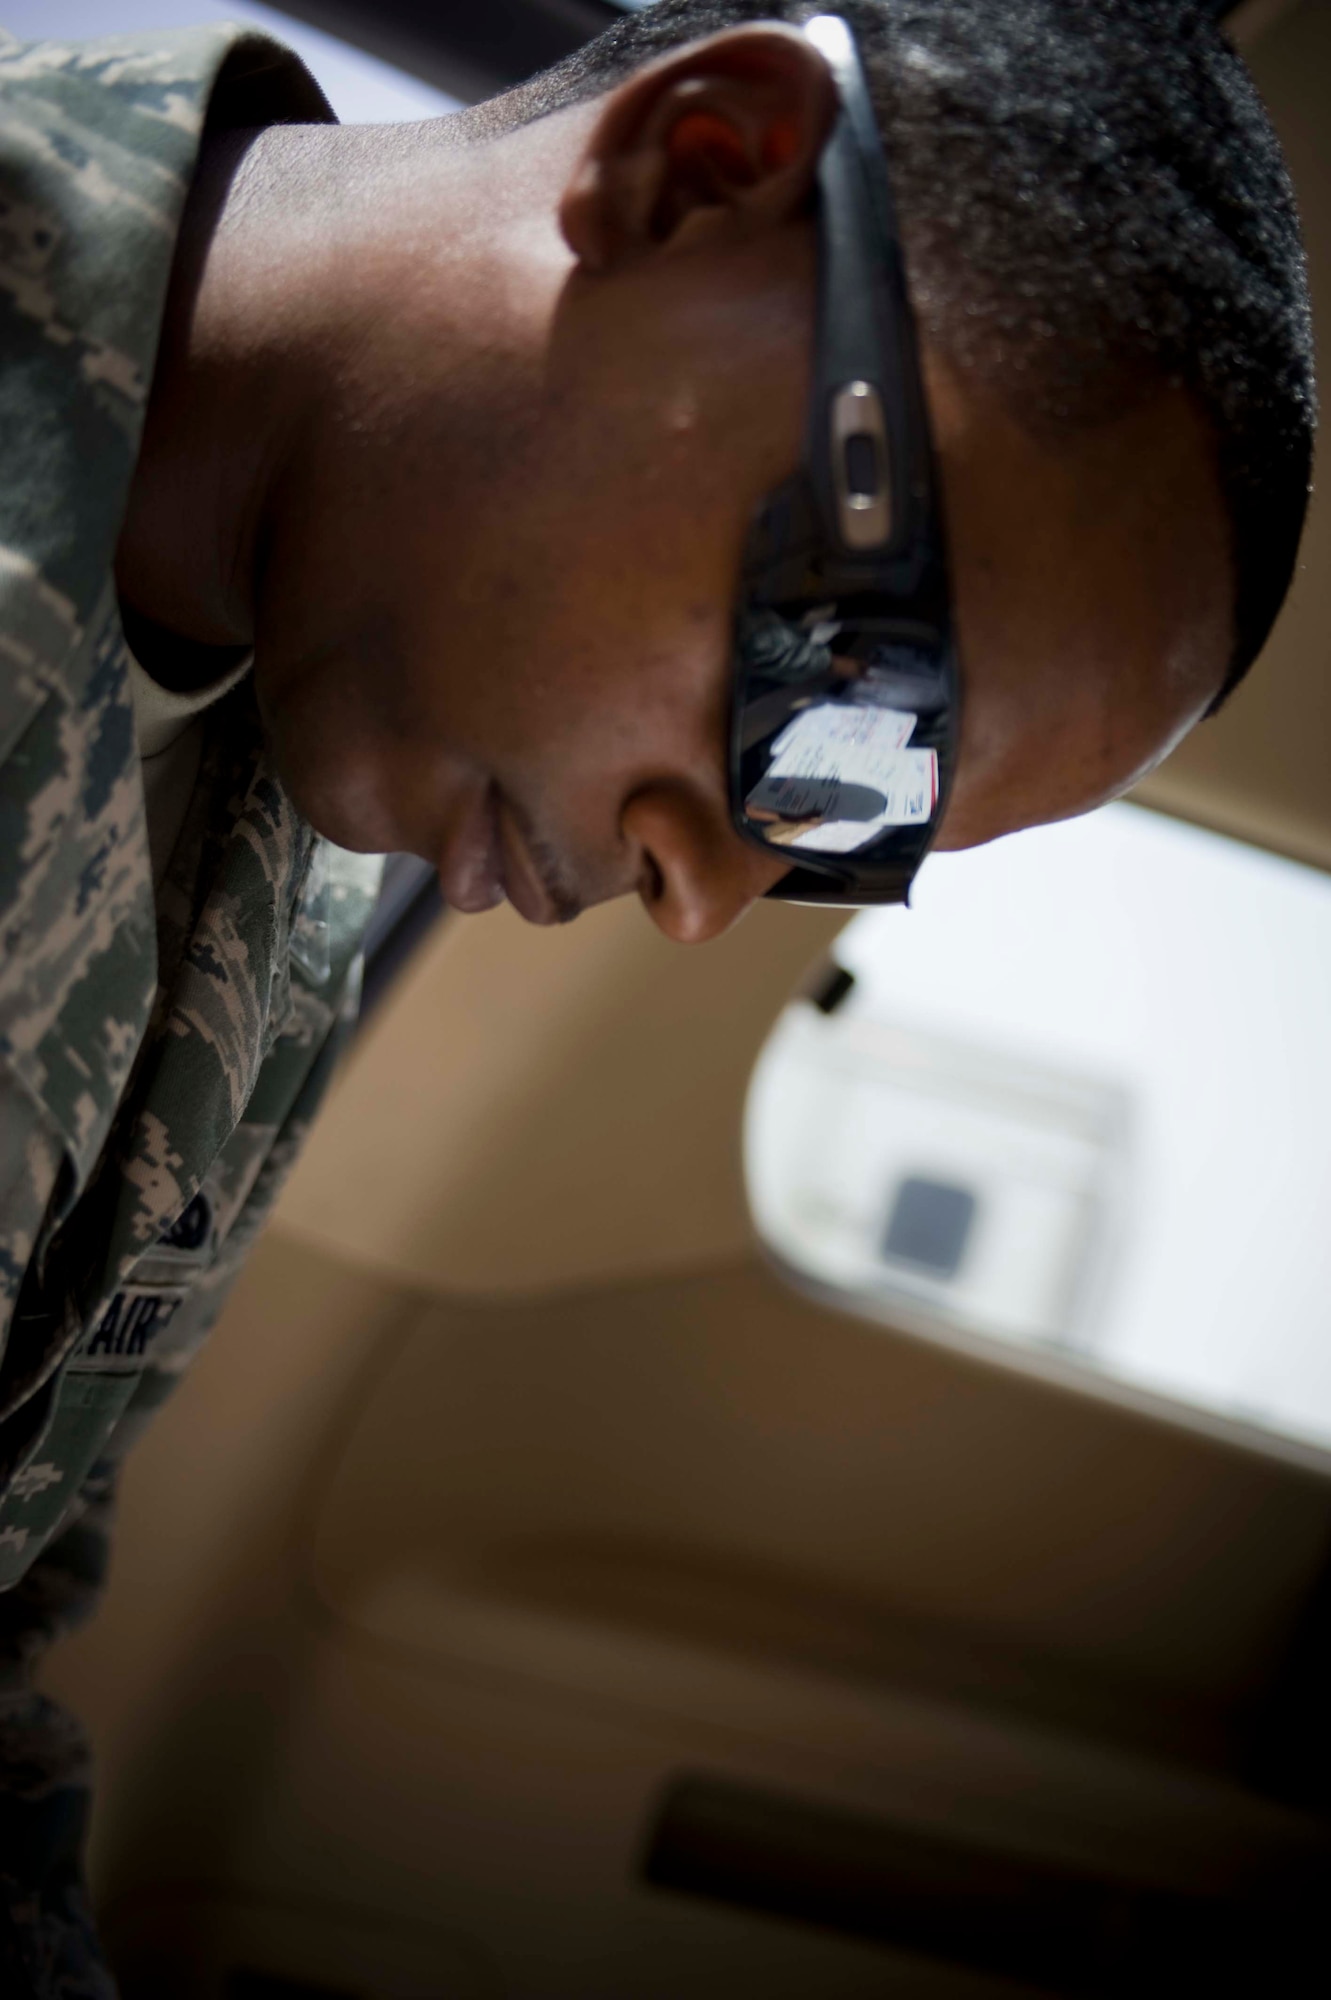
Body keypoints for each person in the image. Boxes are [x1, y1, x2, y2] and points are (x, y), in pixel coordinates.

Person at [0, 0, 1314, 1988]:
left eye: (851, 841)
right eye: (851, 728)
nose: (711, 888)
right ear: (697, 170)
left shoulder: (276, 864)